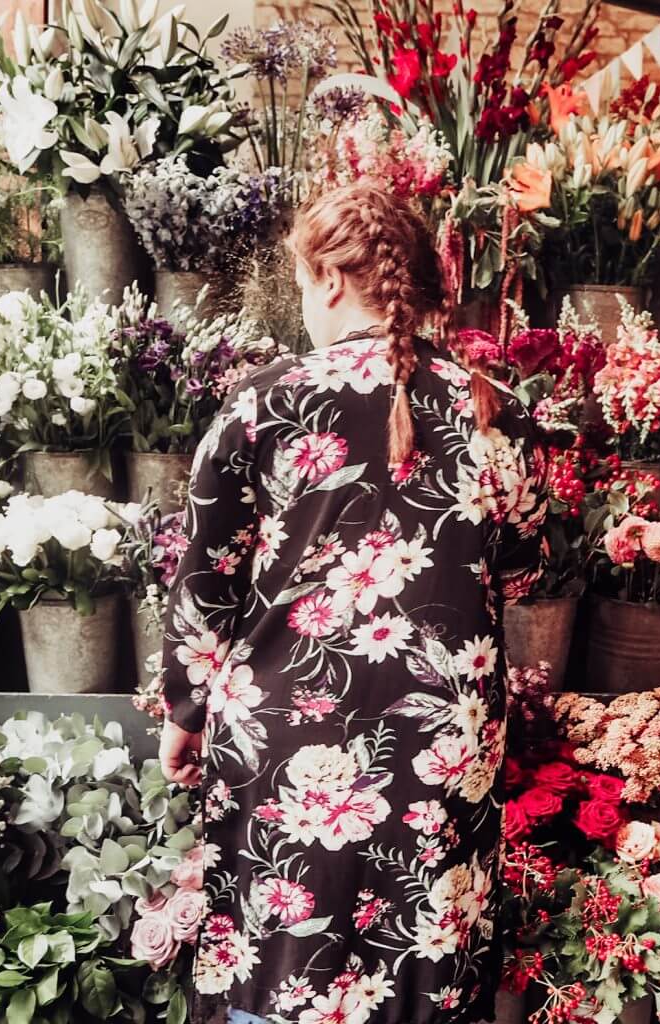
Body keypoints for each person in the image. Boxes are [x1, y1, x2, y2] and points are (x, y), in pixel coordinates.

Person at [158, 180, 546, 1024]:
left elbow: (205, 576)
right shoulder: (497, 412)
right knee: (421, 959)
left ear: (331, 279)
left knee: (280, 952)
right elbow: (522, 564)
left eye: (302, 282)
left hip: (286, 725)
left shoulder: (266, 398)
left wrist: (185, 711)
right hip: (443, 736)